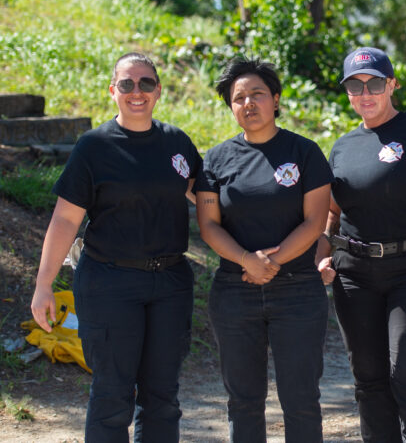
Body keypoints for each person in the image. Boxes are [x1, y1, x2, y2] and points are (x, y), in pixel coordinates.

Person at [30, 52, 201, 442]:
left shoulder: (177, 142)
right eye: (127, 84)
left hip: (171, 283)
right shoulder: (94, 147)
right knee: (112, 395)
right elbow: (65, 220)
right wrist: (44, 286)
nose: (136, 91)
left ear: (158, 90)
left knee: (163, 396)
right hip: (110, 282)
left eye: (145, 83)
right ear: (113, 91)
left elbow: (205, 199)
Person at [315, 47, 406, 442]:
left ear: (391, 84)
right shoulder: (342, 146)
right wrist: (323, 256)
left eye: (375, 83)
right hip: (354, 276)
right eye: (355, 86)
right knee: (369, 382)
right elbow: (332, 211)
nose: (366, 93)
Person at [194, 57, 332, 442]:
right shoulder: (216, 160)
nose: (249, 103)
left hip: (298, 290)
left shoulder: (305, 153)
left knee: (301, 398)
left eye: (257, 94)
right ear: (231, 107)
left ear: (275, 99)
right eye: (239, 98)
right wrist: (246, 262)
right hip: (235, 291)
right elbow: (208, 225)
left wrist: (269, 262)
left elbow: (314, 222)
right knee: (243, 401)